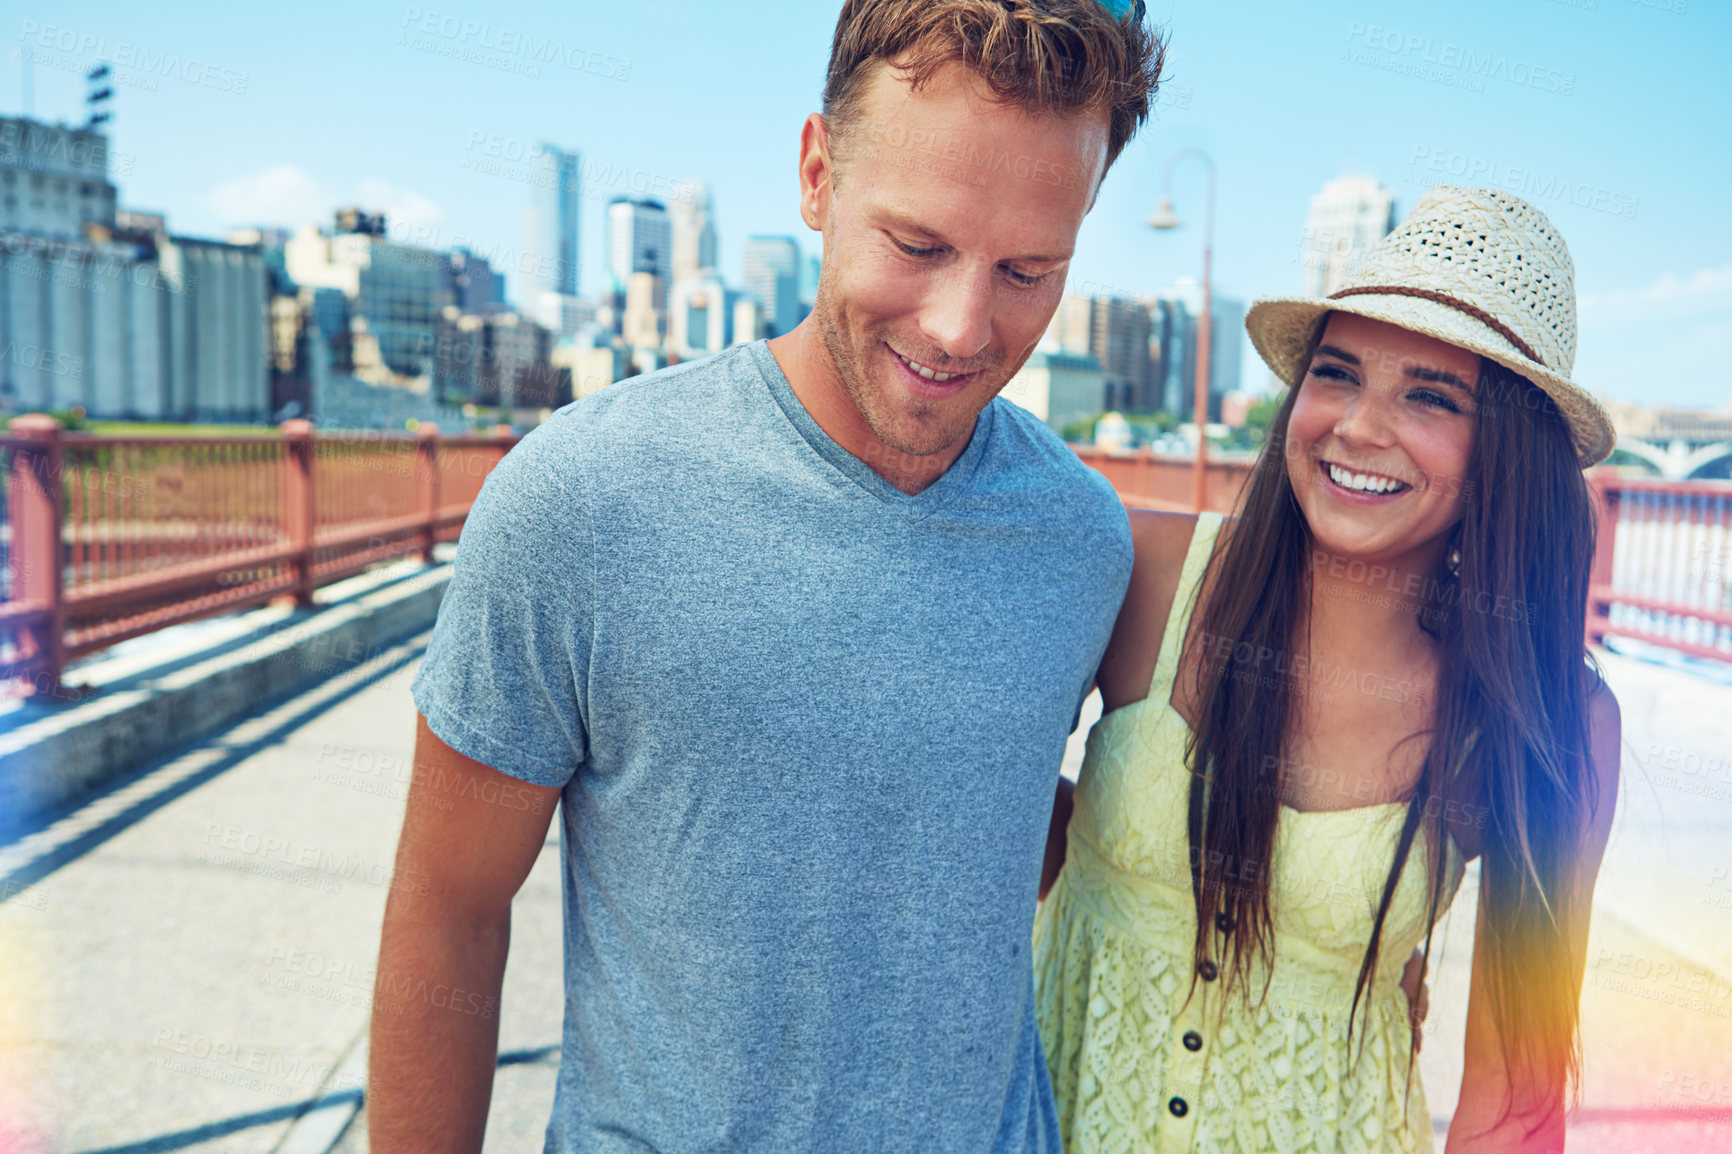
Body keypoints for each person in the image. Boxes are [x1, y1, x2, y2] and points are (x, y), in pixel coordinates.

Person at [367, 1, 1164, 1150]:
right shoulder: (581, 499)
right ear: (814, 172)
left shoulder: (1082, 540)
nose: (959, 326)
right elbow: (448, 908)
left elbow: (980, 828)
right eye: (918, 244)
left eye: (1029, 269)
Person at [1033, 185, 1623, 1152]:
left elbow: (1515, 1102)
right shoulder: (1143, 573)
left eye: (1430, 396)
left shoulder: (1547, 713)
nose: (1356, 427)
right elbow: (971, 803)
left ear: (1509, 452)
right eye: (1338, 374)